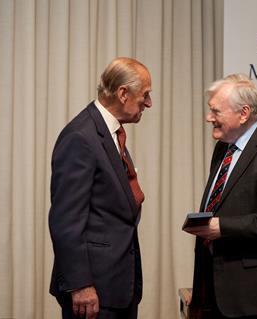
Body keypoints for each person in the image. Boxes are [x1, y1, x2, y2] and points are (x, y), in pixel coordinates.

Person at [184, 74, 257, 318]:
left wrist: (222, 227)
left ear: (243, 113)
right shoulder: (224, 146)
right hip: (216, 292)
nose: (209, 118)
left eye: (216, 112)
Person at [48, 57, 152, 319]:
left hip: (117, 286)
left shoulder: (110, 133)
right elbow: (65, 221)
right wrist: (80, 284)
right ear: (123, 93)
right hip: (93, 292)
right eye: (146, 95)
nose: (149, 103)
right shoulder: (80, 137)